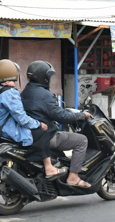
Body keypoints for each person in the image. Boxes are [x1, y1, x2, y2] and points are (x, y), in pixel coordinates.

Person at [21, 60, 93, 188]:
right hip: (47, 136)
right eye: (48, 76)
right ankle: (73, 177)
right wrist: (80, 115)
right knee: (82, 140)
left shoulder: (25, 91)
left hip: (31, 134)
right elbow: (61, 116)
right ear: (43, 77)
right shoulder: (45, 95)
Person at [0, 59, 63, 183]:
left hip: (1, 129)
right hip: (10, 131)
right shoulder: (10, 93)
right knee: (43, 132)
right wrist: (38, 124)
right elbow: (22, 118)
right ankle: (48, 167)